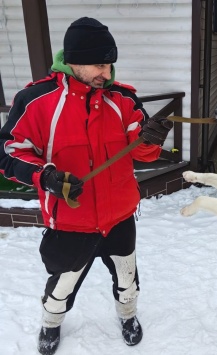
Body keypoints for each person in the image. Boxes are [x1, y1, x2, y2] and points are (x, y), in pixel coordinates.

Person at [0, 17, 173, 355]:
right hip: (70, 220)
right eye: (98, 64)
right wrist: (46, 177)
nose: (106, 74)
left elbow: (143, 152)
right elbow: (9, 152)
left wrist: (151, 138)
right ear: (73, 61)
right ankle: (51, 323)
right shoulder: (36, 101)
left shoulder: (122, 99)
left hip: (120, 215)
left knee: (127, 276)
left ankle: (128, 315)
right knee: (63, 283)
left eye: (109, 64)